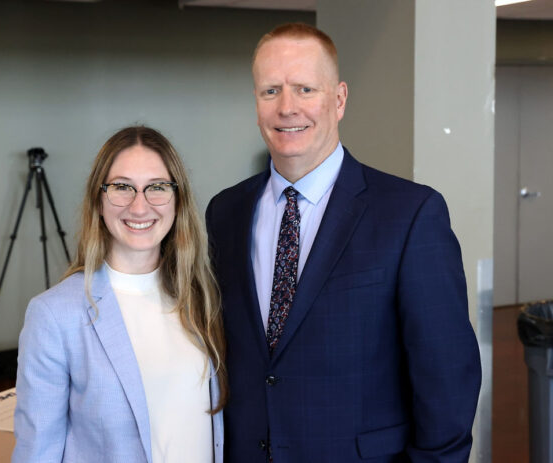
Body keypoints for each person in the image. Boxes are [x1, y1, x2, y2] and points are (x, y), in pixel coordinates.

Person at [205, 23, 481, 462]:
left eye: (305, 89)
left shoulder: (410, 215)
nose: (287, 108)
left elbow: (447, 380)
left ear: (339, 99)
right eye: (270, 91)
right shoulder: (225, 212)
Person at [13, 126, 227, 463]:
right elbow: (37, 452)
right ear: (98, 200)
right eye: (122, 187)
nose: (139, 206)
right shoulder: (54, 315)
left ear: (177, 199)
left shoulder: (201, 297)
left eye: (156, 187)